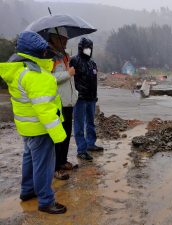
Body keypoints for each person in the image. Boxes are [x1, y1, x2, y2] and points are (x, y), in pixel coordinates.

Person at [0, 31, 67, 213]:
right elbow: (44, 110)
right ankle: (46, 200)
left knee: (29, 159)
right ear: (39, 53)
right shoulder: (38, 76)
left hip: (26, 128)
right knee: (44, 165)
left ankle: (27, 190)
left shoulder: (18, 70)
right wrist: (59, 135)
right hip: (40, 129)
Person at [48, 27, 78, 180]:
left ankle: (63, 160)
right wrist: (68, 73)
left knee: (66, 134)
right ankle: (55, 167)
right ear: (54, 38)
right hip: (57, 103)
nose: (66, 42)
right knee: (58, 136)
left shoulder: (64, 56)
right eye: (63, 39)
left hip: (68, 101)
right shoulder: (49, 57)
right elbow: (49, 77)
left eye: (66, 40)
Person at [71, 37, 103, 161]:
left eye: (90, 48)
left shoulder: (92, 63)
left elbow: (94, 81)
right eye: (86, 48)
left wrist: (95, 96)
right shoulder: (74, 61)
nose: (89, 50)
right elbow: (70, 79)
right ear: (81, 48)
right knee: (79, 124)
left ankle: (91, 144)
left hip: (91, 98)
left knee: (91, 122)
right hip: (79, 99)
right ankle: (81, 150)